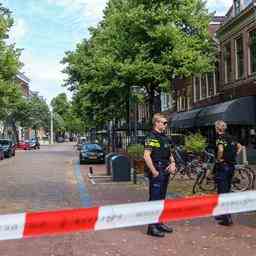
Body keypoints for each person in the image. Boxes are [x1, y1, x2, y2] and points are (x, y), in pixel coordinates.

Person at [144, 113, 176, 237]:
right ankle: (151, 227)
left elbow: (170, 153)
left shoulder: (166, 138)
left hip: (165, 170)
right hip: (157, 170)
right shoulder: (151, 137)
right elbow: (146, 156)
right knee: (154, 199)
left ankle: (159, 223)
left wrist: (173, 163)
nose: (165, 125)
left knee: (161, 199)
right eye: (164, 122)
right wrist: (154, 171)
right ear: (156, 123)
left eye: (166, 123)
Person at [214, 120, 243, 226]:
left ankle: (227, 219)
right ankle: (223, 214)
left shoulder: (219, 138)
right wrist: (233, 155)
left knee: (222, 192)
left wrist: (219, 158)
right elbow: (240, 147)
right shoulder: (231, 137)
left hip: (223, 167)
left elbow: (220, 149)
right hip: (231, 167)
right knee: (227, 190)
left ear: (217, 128)